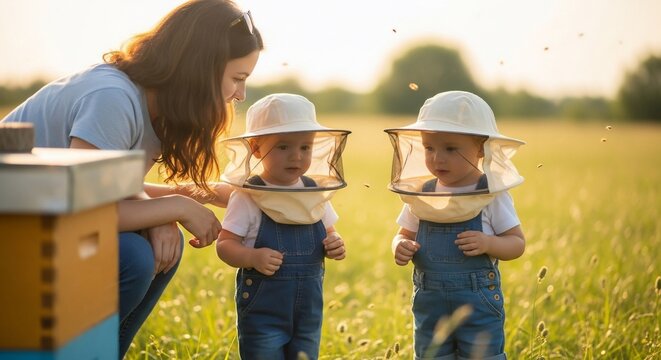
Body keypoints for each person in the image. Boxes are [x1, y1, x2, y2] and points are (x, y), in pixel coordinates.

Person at [1, 0, 263, 357]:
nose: (240, 95)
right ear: (202, 68)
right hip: (14, 229)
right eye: (238, 78)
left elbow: (109, 189)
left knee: (159, 247)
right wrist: (172, 208)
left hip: (35, 219)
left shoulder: (150, 105)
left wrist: (190, 195)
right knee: (133, 257)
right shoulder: (113, 98)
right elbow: (82, 208)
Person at [385, 91, 526, 359]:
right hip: (430, 302)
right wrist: (399, 246)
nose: (438, 158)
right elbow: (403, 233)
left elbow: (517, 244)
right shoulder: (423, 194)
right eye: (429, 148)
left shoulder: (490, 194)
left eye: (450, 148)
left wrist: (489, 243)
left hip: (477, 302)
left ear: (480, 148)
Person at [216, 93, 349, 359]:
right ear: (255, 148)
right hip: (264, 311)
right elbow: (225, 245)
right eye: (283, 147)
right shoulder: (248, 196)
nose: (296, 157)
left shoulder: (313, 193)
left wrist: (334, 244)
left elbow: (329, 233)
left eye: (305, 147)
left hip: (308, 312)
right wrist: (251, 257)